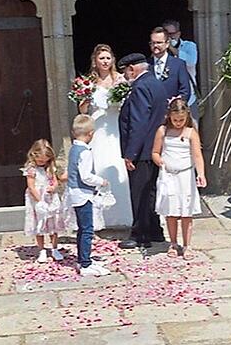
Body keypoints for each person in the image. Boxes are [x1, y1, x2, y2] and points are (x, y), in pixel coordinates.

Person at [77, 44, 132, 228]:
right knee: (97, 167)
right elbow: (82, 110)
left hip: (115, 127)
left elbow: (127, 105)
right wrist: (85, 96)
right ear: (95, 60)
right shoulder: (89, 82)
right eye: (102, 58)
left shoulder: (120, 80)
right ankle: (99, 219)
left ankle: (121, 215)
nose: (105, 61)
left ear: (113, 60)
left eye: (108, 58)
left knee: (117, 166)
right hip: (96, 128)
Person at [118, 52, 168, 249]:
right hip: (153, 148)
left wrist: (131, 153)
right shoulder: (156, 83)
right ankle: (155, 230)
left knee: (140, 193)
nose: (125, 76)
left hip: (142, 150)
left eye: (125, 72)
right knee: (150, 191)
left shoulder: (140, 87)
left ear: (132, 69)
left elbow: (138, 123)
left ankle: (140, 234)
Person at [152, 97, 206, 259]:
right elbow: (155, 151)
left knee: (186, 212)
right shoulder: (163, 131)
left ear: (187, 117)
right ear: (169, 116)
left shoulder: (191, 133)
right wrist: (159, 160)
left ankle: (187, 245)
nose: (178, 123)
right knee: (171, 211)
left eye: (181, 120)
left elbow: (197, 155)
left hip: (185, 175)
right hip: (169, 175)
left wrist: (201, 173)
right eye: (175, 120)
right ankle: (173, 243)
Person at [67, 114, 110, 276]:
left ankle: (82, 258)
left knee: (82, 228)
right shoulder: (84, 152)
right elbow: (85, 176)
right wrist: (101, 181)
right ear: (91, 133)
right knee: (87, 229)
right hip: (82, 193)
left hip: (75, 192)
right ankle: (85, 264)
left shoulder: (73, 149)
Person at [23, 139, 68, 263]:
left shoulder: (50, 167)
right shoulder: (31, 168)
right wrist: (39, 201)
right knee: (40, 224)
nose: (43, 162)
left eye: (45, 160)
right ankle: (42, 249)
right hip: (37, 198)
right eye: (40, 160)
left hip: (50, 197)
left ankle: (54, 248)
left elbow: (55, 180)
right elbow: (31, 186)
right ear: (34, 154)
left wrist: (53, 187)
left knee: (53, 223)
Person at [162, 19, 200, 119]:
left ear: (178, 34)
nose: (169, 37)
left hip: (189, 100)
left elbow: (191, 62)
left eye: (172, 34)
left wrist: (171, 48)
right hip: (167, 102)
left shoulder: (189, 46)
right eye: (166, 34)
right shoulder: (160, 52)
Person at [149, 27, 192, 103]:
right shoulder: (146, 65)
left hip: (171, 112)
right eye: (152, 43)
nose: (155, 46)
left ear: (167, 43)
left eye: (159, 43)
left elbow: (185, 91)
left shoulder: (178, 64)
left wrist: (175, 106)